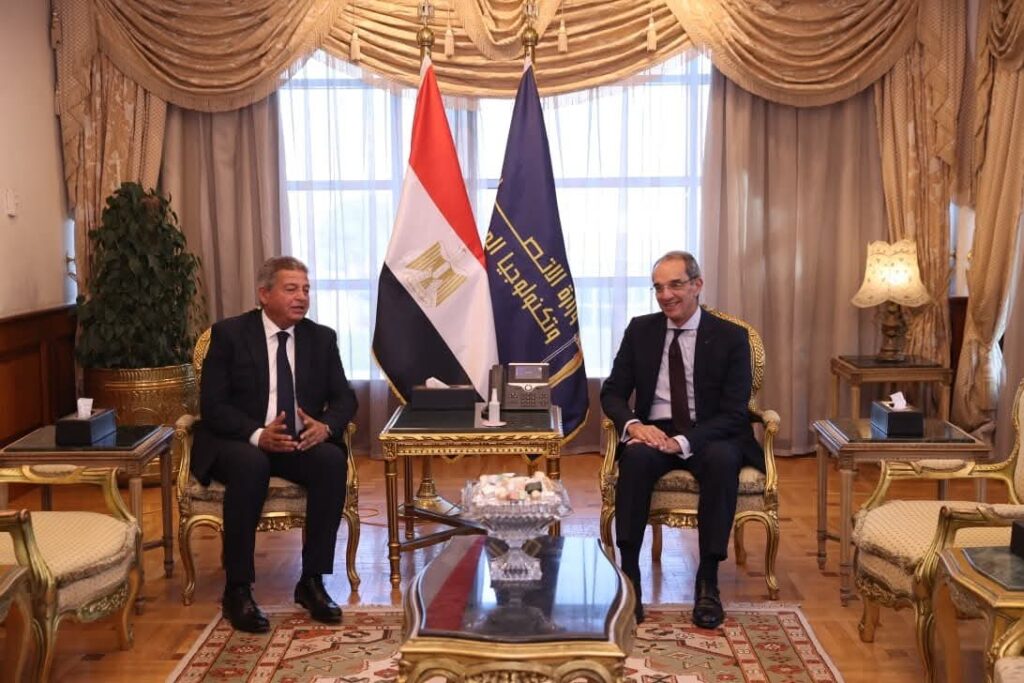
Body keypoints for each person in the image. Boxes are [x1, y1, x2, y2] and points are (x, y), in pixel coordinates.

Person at [192, 256, 358, 633]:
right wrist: (257, 434)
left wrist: (326, 427)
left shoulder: (321, 338)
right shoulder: (229, 335)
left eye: (306, 290)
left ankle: (312, 581)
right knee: (252, 464)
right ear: (264, 294)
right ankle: (238, 589)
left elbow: (345, 397)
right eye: (291, 289)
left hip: (295, 441)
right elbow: (213, 406)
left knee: (330, 461)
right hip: (238, 440)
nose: (302, 297)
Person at [600, 250, 763, 629]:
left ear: (697, 285)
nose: (665, 295)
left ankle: (707, 581)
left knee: (723, 460)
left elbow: (734, 413)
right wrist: (634, 426)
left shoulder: (731, 337)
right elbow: (612, 392)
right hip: (655, 431)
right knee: (635, 459)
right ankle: (631, 579)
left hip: (710, 434)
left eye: (675, 285)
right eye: (658, 287)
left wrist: (684, 442)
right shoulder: (640, 330)